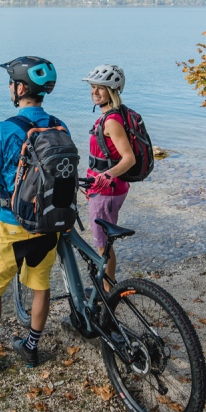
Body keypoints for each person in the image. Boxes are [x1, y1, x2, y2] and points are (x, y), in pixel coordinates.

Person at [0, 56, 65, 373]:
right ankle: (31, 348)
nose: (9, 87)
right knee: (40, 285)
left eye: (11, 82)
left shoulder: (4, 129)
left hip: (11, 227)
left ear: (20, 88)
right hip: (48, 224)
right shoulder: (59, 125)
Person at [82, 65, 135, 293]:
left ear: (112, 90)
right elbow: (103, 156)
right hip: (106, 189)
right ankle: (107, 289)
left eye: (100, 89)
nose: (95, 92)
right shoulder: (111, 115)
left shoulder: (111, 120)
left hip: (108, 191)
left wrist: (104, 176)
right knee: (104, 243)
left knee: (103, 246)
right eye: (93, 88)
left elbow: (129, 158)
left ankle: (107, 294)